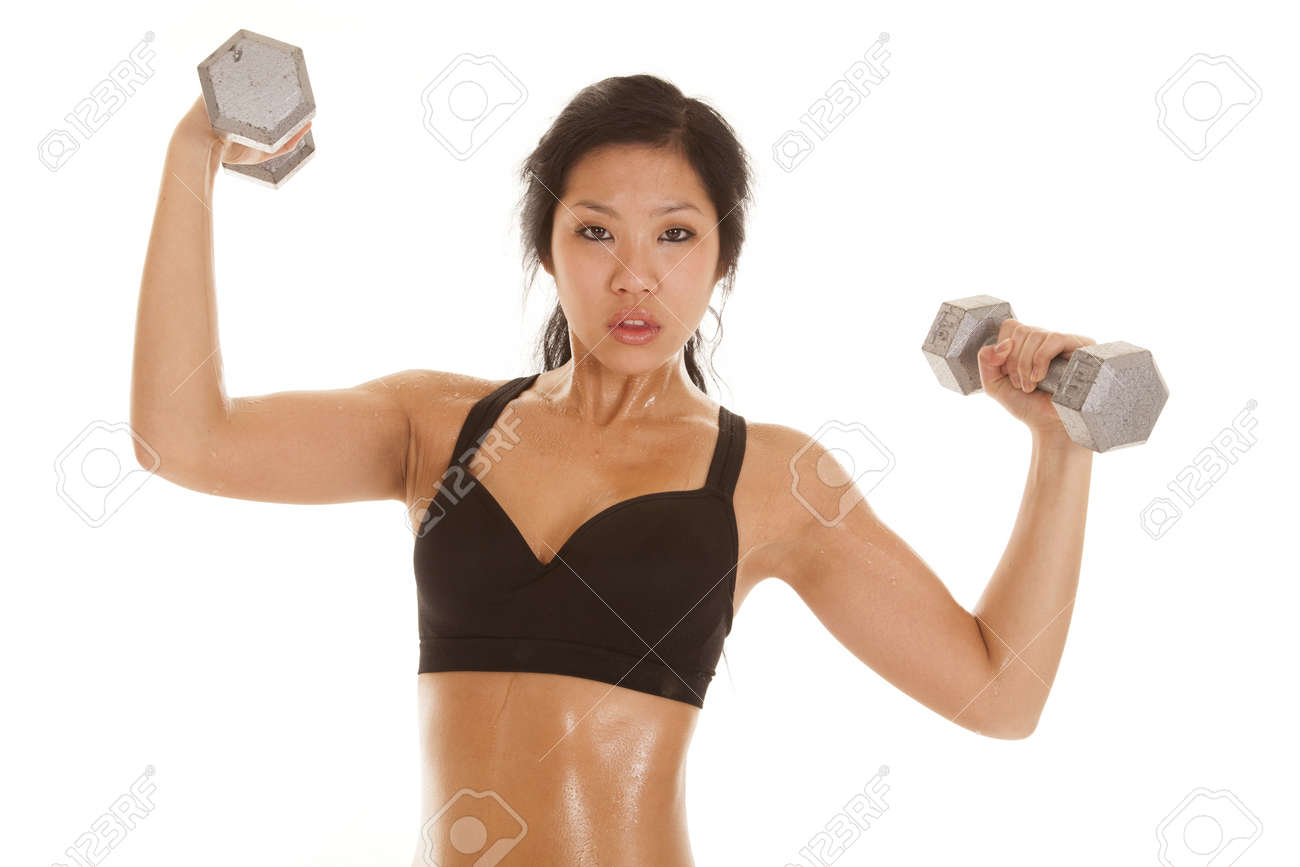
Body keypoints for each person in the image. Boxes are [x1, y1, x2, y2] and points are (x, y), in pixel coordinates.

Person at [132, 74, 1095, 866]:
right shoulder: (437, 425)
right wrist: (192, 156)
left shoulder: (771, 477)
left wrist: (1060, 448)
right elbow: (182, 439)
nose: (636, 274)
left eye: (676, 235)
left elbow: (999, 695)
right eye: (596, 231)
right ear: (546, 248)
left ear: (721, 260)